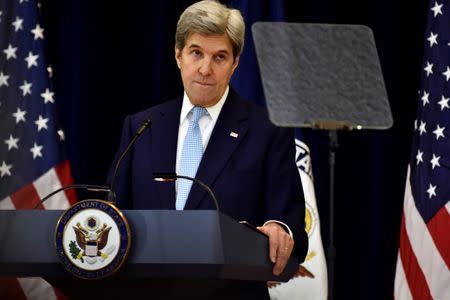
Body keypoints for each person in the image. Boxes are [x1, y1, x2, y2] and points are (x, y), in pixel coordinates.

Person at [108, 0, 308, 298]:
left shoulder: (267, 131)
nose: (205, 69)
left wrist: (280, 229)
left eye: (219, 57)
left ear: (235, 63)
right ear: (178, 55)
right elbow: (113, 216)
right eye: (196, 53)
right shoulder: (140, 127)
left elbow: (292, 227)